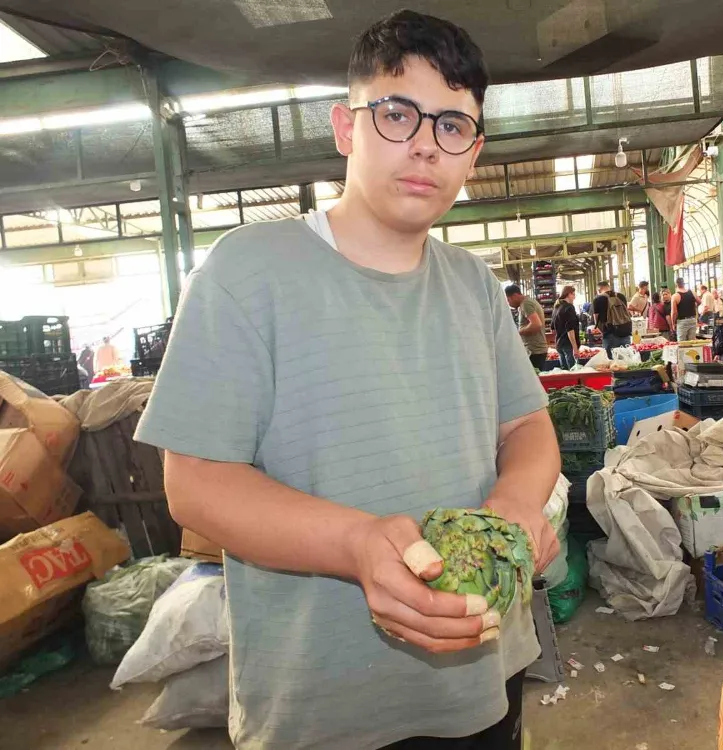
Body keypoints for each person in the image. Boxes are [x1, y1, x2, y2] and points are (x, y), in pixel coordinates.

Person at [134, 12, 561, 750]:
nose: (425, 144)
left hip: (481, 674)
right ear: (345, 127)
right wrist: (356, 544)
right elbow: (196, 483)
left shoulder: (473, 285)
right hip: (321, 700)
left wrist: (514, 510)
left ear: (474, 152)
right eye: (397, 114)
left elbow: (526, 426)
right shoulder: (247, 271)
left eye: (452, 126)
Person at [505, 284, 549, 369]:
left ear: (515, 296)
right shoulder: (528, 302)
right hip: (536, 350)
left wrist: (519, 332)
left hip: (534, 351)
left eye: (508, 300)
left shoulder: (526, 304)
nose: (509, 303)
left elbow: (536, 324)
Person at [591, 281, 632, 356]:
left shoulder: (598, 299)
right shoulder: (621, 296)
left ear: (599, 290)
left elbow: (596, 320)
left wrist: (602, 332)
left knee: (611, 360)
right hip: (625, 332)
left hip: (609, 334)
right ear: (609, 287)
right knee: (626, 358)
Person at [551, 286, 580, 370]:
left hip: (559, 344)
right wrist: (575, 348)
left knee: (564, 372)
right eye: (573, 294)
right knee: (573, 371)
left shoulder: (556, 307)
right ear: (568, 294)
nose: (574, 297)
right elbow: (570, 329)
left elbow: (552, 329)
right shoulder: (569, 307)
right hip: (568, 345)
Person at [672, 278, 699, 342]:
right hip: (692, 319)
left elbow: (674, 312)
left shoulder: (675, 296)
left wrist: (673, 323)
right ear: (684, 283)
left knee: (682, 343)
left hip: (682, 321)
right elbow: (699, 302)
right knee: (692, 342)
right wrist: (693, 306)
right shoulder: (692, 292)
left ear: (676, 284)